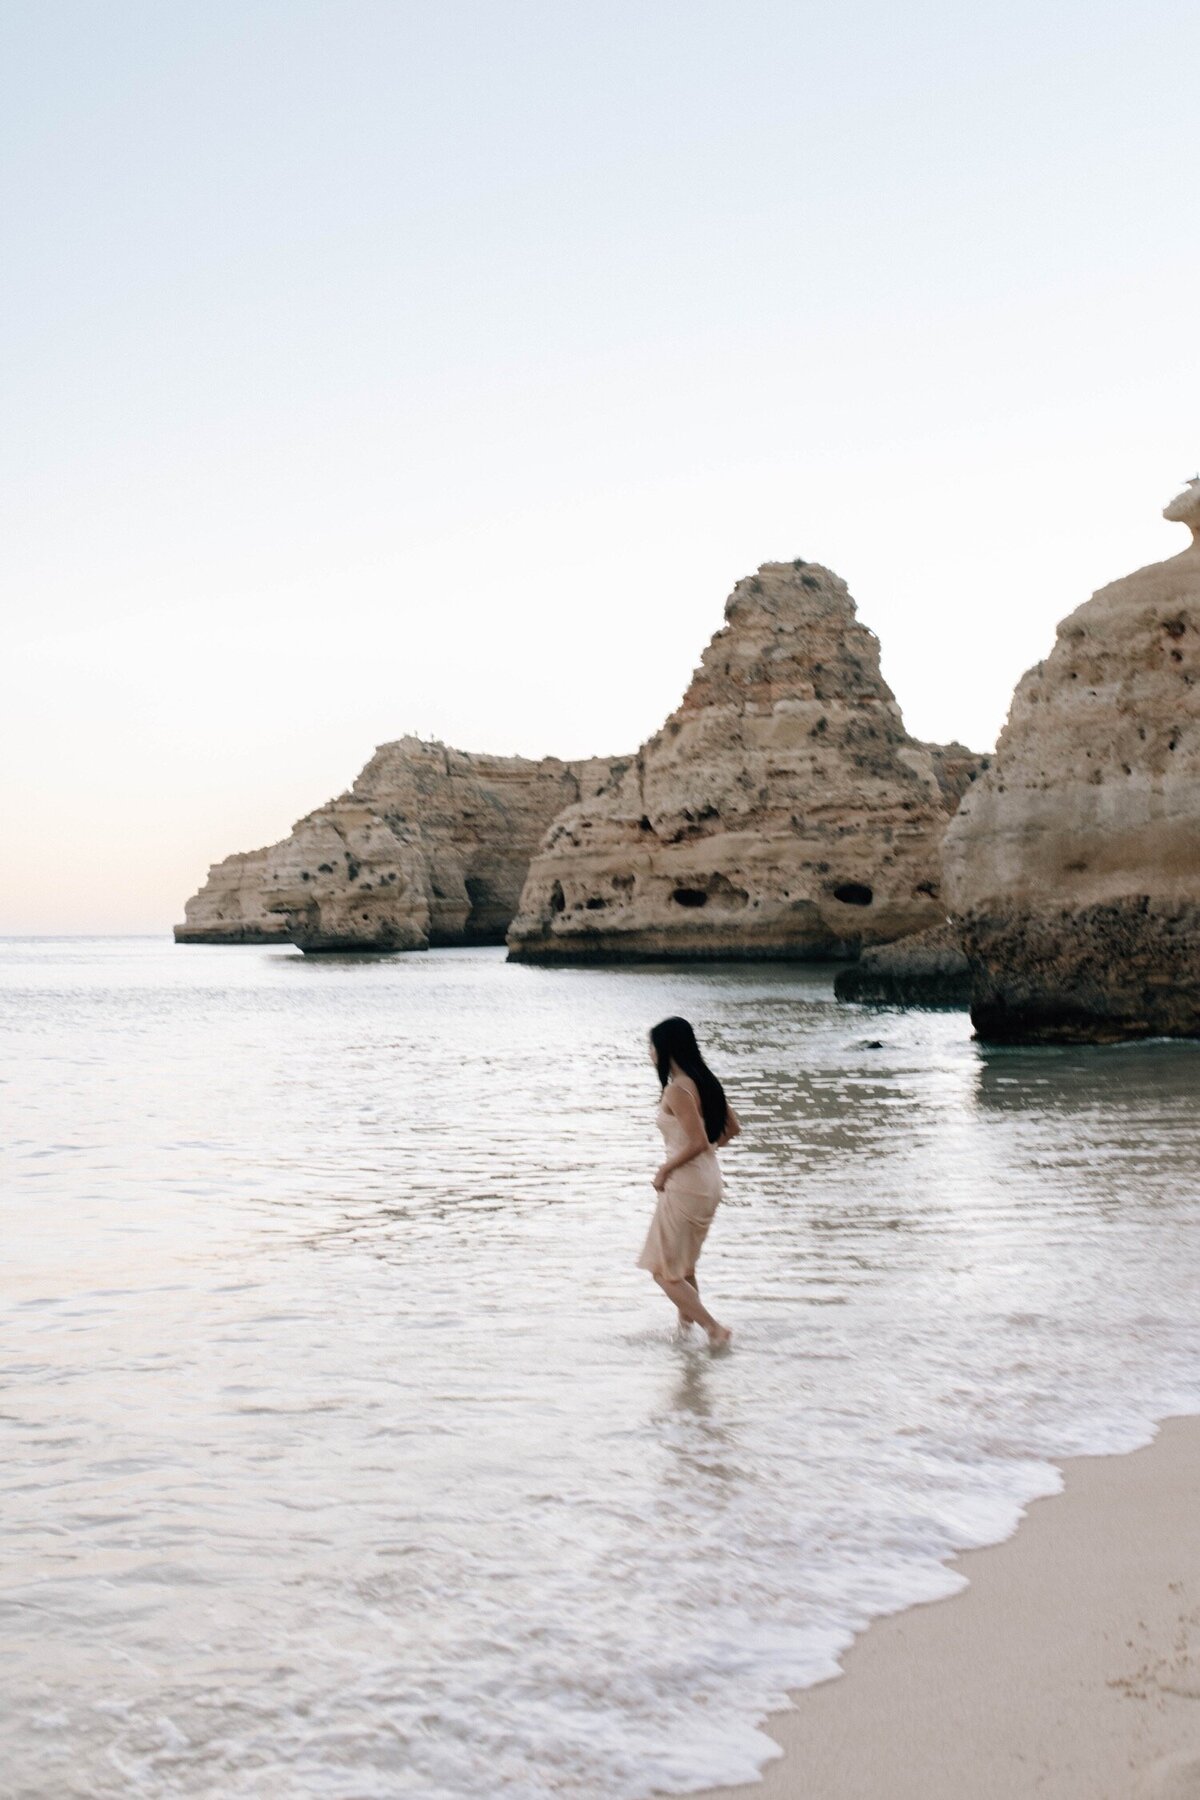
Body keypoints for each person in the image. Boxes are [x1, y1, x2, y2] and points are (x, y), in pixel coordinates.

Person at [637, 1015, 740, 1349]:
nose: (650, 1052)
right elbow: (731, 1130)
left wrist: (665, 1169)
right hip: (708, 1179)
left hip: (687, 1183)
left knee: (664, 1271)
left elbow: (695, 1141)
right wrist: (705, 1153)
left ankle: (713, 1329)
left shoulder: (677, 1088)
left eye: (652, 1045)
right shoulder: (705, 1081)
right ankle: (684, 1334)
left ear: (666, 1047)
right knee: (685, 1264)